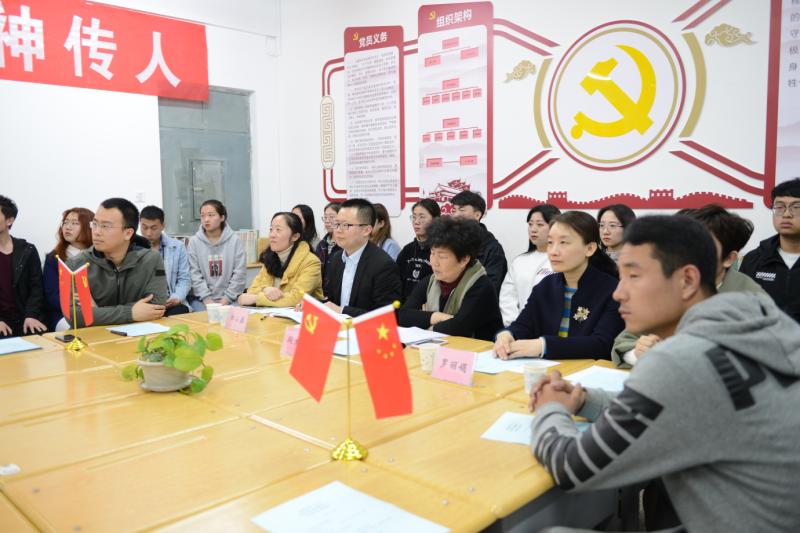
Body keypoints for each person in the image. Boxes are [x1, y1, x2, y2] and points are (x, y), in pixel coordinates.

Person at [529, 215, 800, 532]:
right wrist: (584, 400)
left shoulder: (681, 359)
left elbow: (571, 468)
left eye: (634, 276)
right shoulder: (762, 323)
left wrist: (550, 409)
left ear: (687, 280)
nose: (618, 293)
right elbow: (677, 404)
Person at [612, 205, 764, 367]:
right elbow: (623, 343)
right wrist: (637, 353)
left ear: (728, 259)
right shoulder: (669, 284)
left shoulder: (752, 300)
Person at [494, 211, 623, 360]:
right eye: (550, 242)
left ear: (589, 249)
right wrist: (506, 335)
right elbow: (523, 325)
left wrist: (543, 346)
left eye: (563, 243)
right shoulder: (546, 285)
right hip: (546, 369)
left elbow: (602, 344)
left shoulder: (613, 290)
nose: (553, 251)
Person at [64, 198, 167, 328]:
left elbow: (156, 307)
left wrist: (96, 311)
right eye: (94, 224)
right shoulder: (76, 265)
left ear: (128, 233)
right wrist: (131, 313)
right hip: (94, 337)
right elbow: (74, 316)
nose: (96, 232)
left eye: (105, 226)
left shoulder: (151, 259)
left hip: (140, 334)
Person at [398, 217, 502, 340]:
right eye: (432, 253)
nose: (434, 262)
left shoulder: (481, 286)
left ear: (464, 259)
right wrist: (437, 317)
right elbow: (403, 315)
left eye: (442, 256)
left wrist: (422, 321)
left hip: (480, 349)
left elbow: (458, 327)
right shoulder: (431, 281)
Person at [324, 198, 401, 317]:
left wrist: (343, 311)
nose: (338, 230)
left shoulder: (383, 265)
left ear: (366, 230)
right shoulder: (336, 258)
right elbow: (332, 301)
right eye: (336, 224)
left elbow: (386, 315)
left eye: (345, 225)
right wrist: (314, 304)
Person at [741, 177, 800, 322]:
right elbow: (742, 308)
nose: (786, 214)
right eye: (779, 207)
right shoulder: (754, 259)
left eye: (796, 207)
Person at [238, 212, 323, 307]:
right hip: (270, 314)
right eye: (271, 230)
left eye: (278, 230)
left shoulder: (311, 262)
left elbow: (296, 299)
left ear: (295, 236)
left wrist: (256, 298)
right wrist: (265, 289)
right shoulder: (271, 259)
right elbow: (251, 290)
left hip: (302, 316)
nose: (272, 235)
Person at [499, 204, 560, 326]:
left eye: (540, 224)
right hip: (518, 328)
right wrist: (515, 326)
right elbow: (507, 298)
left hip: (552, 329)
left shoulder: (563, 261)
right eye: (530, 224)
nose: (533, 229)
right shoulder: (520, 261)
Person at [187, 199, 247, 311]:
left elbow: (239, 273)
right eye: (203, 216)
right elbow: (194, 274)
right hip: (201, 300)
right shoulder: (194, 242)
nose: (206, 219)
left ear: (222, 217)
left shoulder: (235, 240)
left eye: (211, 215)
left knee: (234, 318)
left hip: (231, 299)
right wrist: (207, 300)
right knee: (203, 318)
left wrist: (226, 299)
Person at [0, 195, 46, 337]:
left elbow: (37, 287)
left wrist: (31, 315)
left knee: (42, 339)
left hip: (25, 317)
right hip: (1, 320)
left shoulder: (27, 250)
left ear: (10, 220)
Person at [42, 207, 94, 330]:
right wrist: (70, 302)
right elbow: (52, 295)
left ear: (90, 227)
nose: (68, 227)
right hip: (63, 314)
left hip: (95, 310)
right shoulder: (54, 258)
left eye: (75, 223)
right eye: (65, 222)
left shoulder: (99, 255)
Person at [450, 190, 507, 295]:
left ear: (477, 215)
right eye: (454, 210)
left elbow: (491, 288)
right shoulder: (449, 242)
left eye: (462, 210)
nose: (456, 215)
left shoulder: (492, 249)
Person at [139, 205, 191, 316]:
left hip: (171, 302)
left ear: (163, 226)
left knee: (180, 314)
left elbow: (184, 279)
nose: (148, 233)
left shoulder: (178, 247)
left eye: (153, 228)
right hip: (143, 304)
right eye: (144, 227)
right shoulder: (132, 248)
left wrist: (177, 298)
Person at [396, 198, 441, 301]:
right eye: (414, 217)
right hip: (405, 306)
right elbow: (396, 280)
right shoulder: (407, 250)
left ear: (435, 220)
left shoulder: (441, 250)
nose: (416, 222)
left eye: (422, 217)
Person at [315, 201, 341, 285]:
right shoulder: (321, 244)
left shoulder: (345, 245)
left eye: (331, 217)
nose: (327, 221)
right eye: (325, 217)